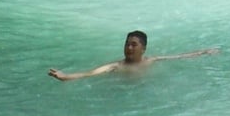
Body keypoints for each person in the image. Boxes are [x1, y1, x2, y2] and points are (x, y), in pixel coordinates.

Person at [48, 30, 218, 81]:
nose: (129, 47)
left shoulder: (151, 60)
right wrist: (65, 76)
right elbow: (89, 74)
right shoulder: (116, 66)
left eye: (133, 45)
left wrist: (203, 53)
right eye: (127, 44)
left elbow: (179, 57)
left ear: (143, 48)